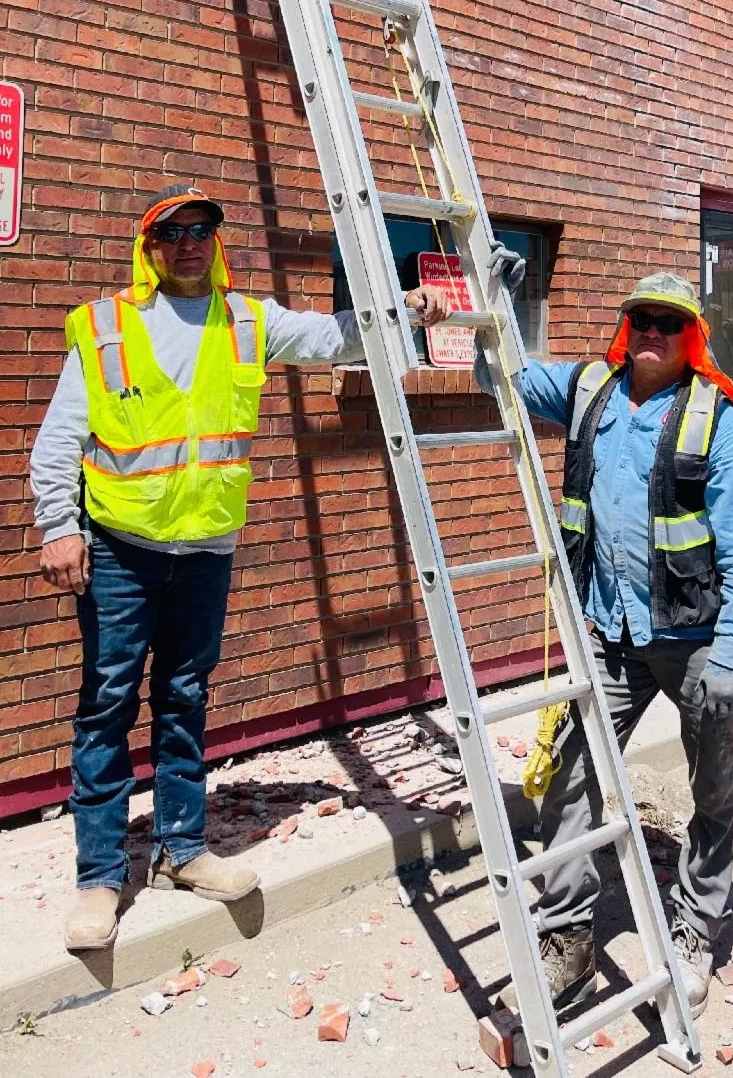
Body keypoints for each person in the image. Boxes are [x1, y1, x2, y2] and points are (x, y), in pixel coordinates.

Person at [30, 184, 450, 953]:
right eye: (173, 232)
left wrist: (404, 310)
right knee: (107, 705)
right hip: (121, 547)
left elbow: (333, 337)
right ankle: (100, 875)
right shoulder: (106, 325)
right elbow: (60, 436)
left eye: (202, 230)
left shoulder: (249, 320)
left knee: (184, 697)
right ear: (150, 247)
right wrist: (59, 527)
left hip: (206, 551)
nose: (190, 243)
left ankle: (180, 851)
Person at [480, 272, 733, 1020]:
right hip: (609, 635)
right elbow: (502, 374)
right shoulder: (589, 393)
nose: (652, 332)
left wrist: (729, 658)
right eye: (641, 319)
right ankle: (569, 936)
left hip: (696, 642)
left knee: (714, 792)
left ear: (692, 336)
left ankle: (694, 928)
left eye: (668, 322)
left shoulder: (722, 427)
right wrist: (490, 300)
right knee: (567, 776)